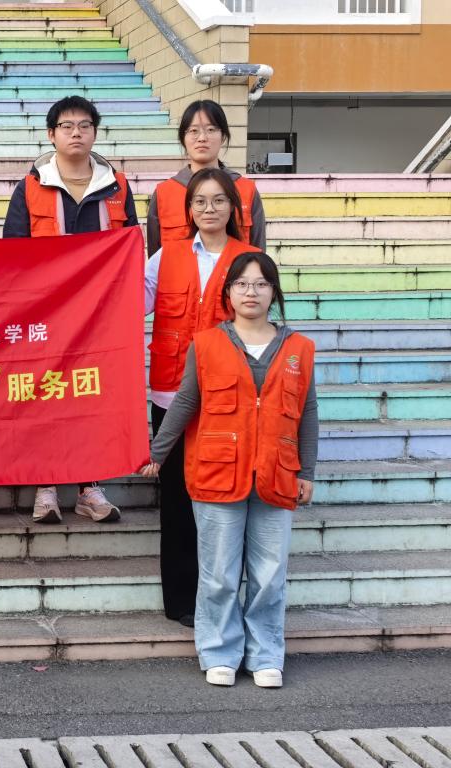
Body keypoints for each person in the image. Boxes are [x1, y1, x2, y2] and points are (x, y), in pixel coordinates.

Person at [141, 251, 318, 689]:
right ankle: (219, 651)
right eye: (242, 284)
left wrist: (307, 471)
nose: (251, 292)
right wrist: (157, 452)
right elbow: (186, 401)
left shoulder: (299, 348)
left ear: (274, 292)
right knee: (219, 573)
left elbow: (307, 412)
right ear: (228, 293)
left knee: (269, 575)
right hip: (217, 473)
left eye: (260, 284)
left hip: (277, 473)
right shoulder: (206, 344)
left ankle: (265, 655)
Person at [3, 94, 138, 525]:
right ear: (51, 134)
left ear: (95, 132)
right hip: (46, 316)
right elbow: (13, 254)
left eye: (84, 125)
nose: (75, 132)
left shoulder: (117, 186)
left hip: (100, 318)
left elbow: (130, 251)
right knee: (46, 397)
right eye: (66, 126)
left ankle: (88, 487)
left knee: (92, 396)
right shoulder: (31, 186)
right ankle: (46, 485)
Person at [144, 167, 262, 628]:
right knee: (176, 500)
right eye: (199, 202)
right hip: (170, 394)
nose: (209, 209)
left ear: (233, 207)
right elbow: (131, 302)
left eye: (218, 200)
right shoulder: (165, 256)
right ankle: (181, 601)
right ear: (188, 210)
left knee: (222, 501)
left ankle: (222, 596)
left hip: (227, 399)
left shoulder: (249, 260)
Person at [146, 99, 266, 257]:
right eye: (193, 131)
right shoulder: (164, 193)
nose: (202, 138)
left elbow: (259, 255)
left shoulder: (246, 190)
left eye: (210, 129)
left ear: (223, 136)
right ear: (183, 138)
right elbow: (155, 257)